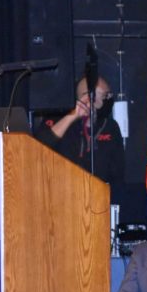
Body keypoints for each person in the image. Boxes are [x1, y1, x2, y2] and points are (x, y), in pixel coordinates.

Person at [34, 75, 125, 203]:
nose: (109, 99)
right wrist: (73, 116)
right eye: (105, 95)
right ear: (88, 97)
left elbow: (118, 173)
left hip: (98, 199)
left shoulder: (110, 126)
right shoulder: (57, 119)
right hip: (59, 197)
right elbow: (37, 147)